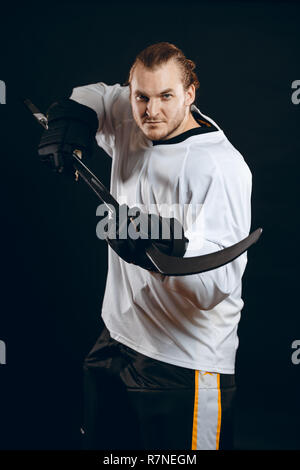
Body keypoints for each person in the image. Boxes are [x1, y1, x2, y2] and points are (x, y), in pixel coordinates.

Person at [38, 42, 252, 450]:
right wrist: (73, 122)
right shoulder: (131, 112)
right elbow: (95, 95)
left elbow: (217, 286)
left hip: (184, 360)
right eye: (142, 97)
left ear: (190, 93)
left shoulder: (221, 169)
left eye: (166, 97)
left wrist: (162, 249)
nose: (151, 110)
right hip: (118, 337)